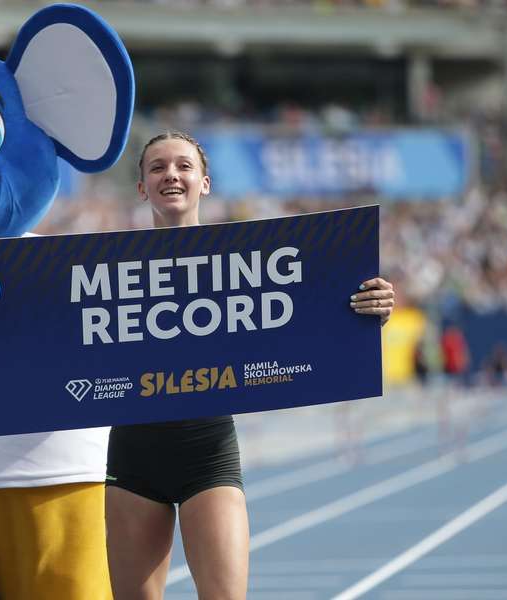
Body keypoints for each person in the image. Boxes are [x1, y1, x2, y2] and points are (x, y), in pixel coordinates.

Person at [104, 131, 396, 600]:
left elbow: (308, 314)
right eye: (157, 167)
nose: (171, 175)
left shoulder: (248, 261)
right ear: (141, 187)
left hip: (208, 454)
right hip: (131, 459)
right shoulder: (104, 271)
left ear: (205, 183)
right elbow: (54, 331)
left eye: (183, 166)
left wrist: (367, 311)